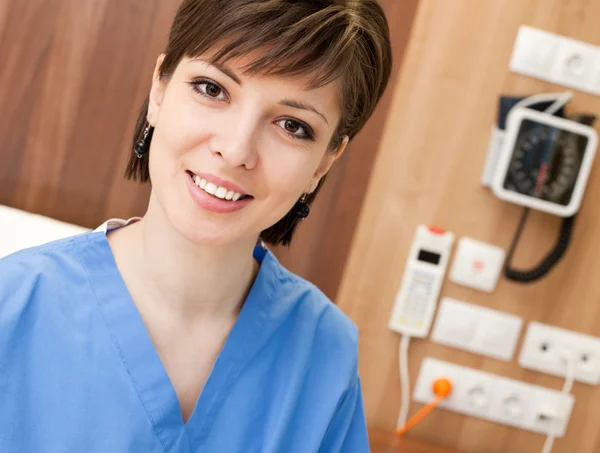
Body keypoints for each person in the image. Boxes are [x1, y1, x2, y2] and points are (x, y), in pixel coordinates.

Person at [0, 1, 392, 451]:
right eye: (212, 88)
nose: (235, 148)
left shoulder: (325, 353)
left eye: (292, 125)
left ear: (326, 160)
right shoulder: (12, 307)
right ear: (159, 91)